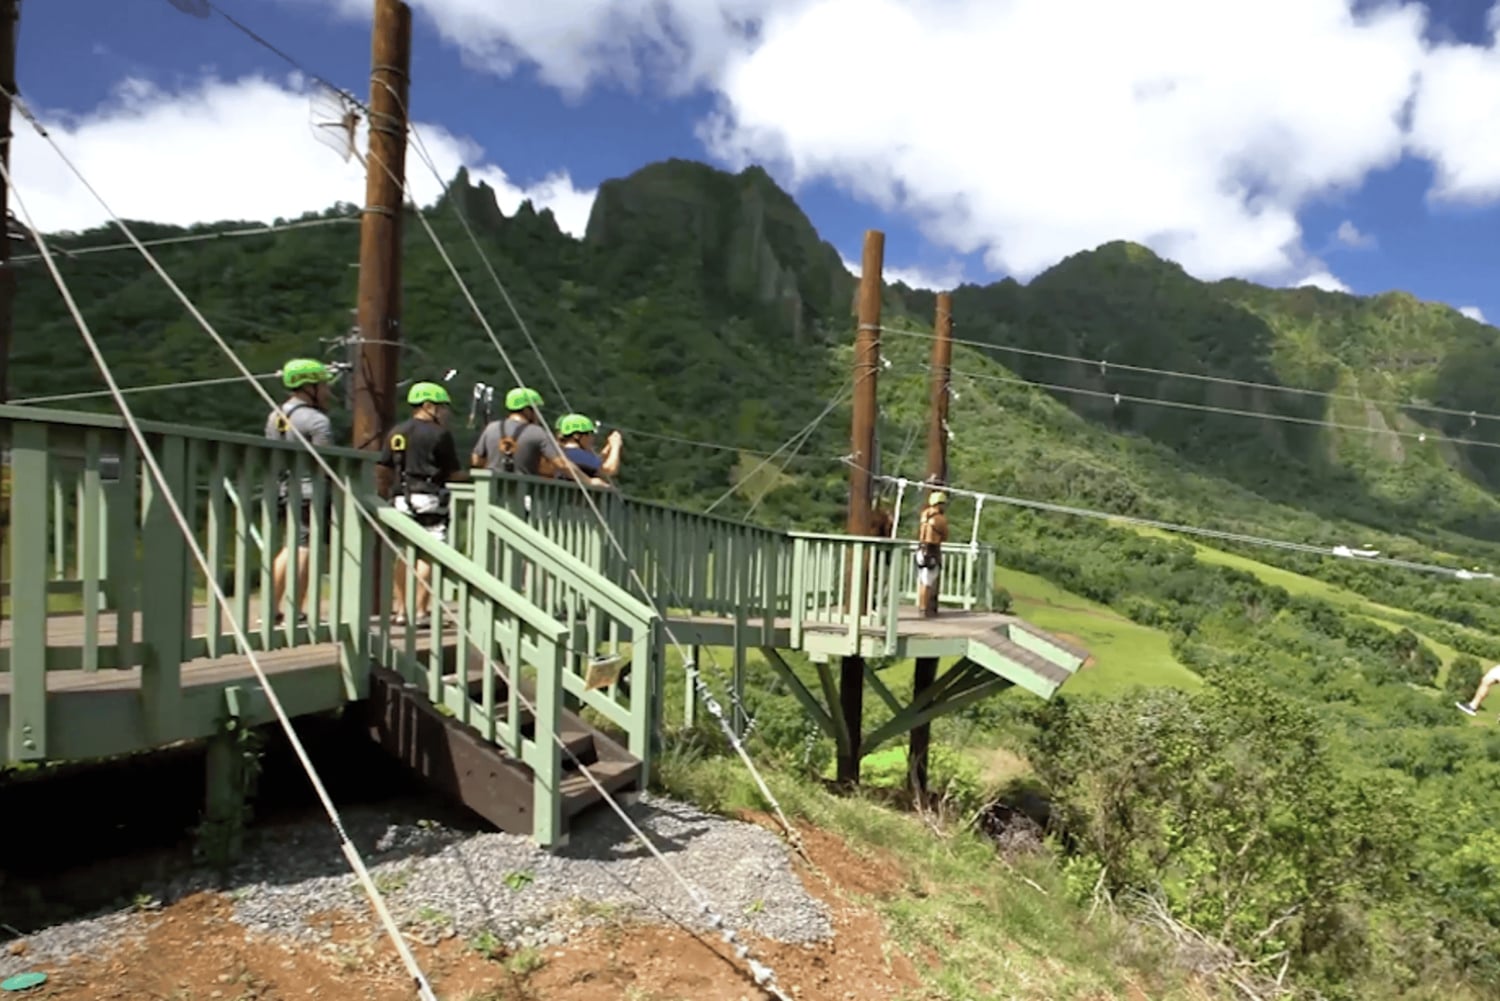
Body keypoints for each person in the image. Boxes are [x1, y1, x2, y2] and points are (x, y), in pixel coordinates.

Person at [379, 381, 467, 627]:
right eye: (442, 407)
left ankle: (401, 609)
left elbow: (384, 465)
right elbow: (452, 472)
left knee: (403, 553)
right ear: (429, 406)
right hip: (429, 496)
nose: (445, 413)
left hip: (400, 497)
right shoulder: (439, 434)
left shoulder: (396, 431)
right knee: (428, 554)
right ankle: (419, 610)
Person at [263, 357, 334, 626]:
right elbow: (326, 461)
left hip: (284, 488)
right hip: (310, 490)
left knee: (289, 546)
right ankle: (296, 609)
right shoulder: (317, 421)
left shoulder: (275, 417)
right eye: (323, 385)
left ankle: (271, 607)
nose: (327, 391)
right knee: (304, 547)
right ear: (309, 387)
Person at [470, 385, 570, 479]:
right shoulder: (537, 432)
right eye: (536, 410)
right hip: (524, 488)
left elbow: (476, 460)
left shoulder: (491, 428)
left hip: (492, 486)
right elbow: (561, 464)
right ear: (527, 410)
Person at [552, 413, 622, 487]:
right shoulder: (577, 454)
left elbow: (596, 463)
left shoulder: (562, 453)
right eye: (589, 434)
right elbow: (609, 470)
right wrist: (616, 446)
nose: (592, 438)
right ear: (577, 436)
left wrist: (608, 447)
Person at [915, 491, 949, 618]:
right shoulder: (940, 519)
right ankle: (924, 608)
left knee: (922, 580)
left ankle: (921, 606)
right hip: (932, 551)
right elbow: (945, 536)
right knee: (928, 582)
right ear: (939, 504)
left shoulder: (924, 515)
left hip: (921, 549)